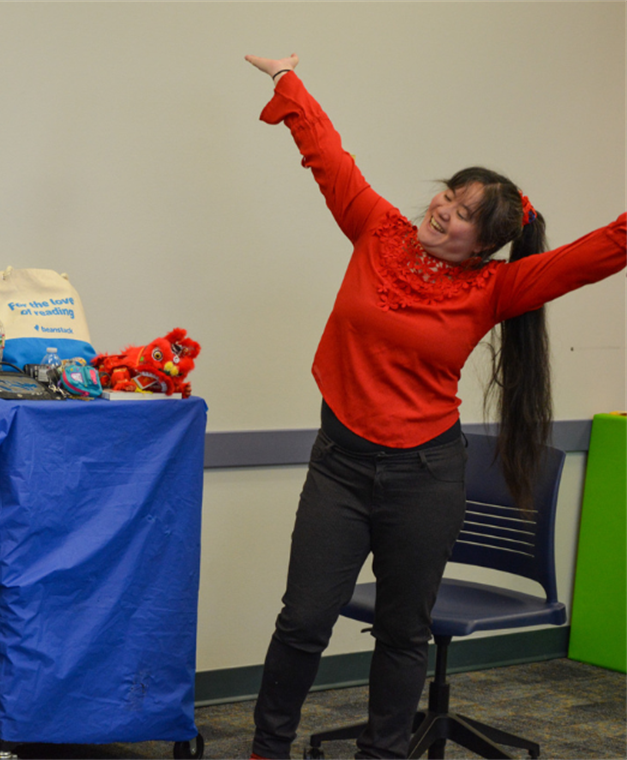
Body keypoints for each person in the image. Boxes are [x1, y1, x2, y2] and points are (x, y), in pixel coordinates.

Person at [241, 53, 626, 760]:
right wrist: (287, 82)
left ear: (485, 245)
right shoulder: (375, 228)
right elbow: (330, 156)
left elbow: (599, 252)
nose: (441, 209)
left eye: (461, 215)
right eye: (448, 194)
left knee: (402, 632)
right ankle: (268, 747)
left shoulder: (495, 288)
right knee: (303, 621)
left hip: (425, 476)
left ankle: (384, 753)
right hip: (340, 465)